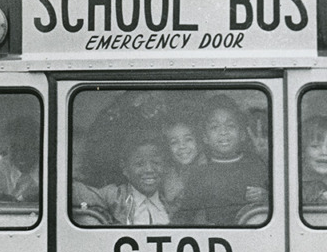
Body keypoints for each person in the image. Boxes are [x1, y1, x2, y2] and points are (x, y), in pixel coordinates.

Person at [177, 95, 269, 225]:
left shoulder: (256, 164)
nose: (223, 132)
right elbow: (184, 216)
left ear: (242, 134)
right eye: (215, 127)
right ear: (205, 137)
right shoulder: (199, 174)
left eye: (230, 126)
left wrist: (266, 197)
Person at [71, 131, 173, 225]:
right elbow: (77, 192)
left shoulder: (171, 200)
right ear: (125, 168)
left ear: (165, 165)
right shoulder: (113, 196)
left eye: (156, 162)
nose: (149, 169)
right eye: (139, 164)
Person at [160, 115, 207, 207]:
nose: (182, 146)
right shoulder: (168, 173)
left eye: (188, 139)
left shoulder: (207, 168)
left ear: (198, 141)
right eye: (174, 142)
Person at [0, 116, 39, 202]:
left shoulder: (50, 166)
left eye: (27, 147)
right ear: (7, 147)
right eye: (14, 147)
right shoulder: (1, 168)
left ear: (37, 145)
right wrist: (22, 198)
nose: (20, 154)